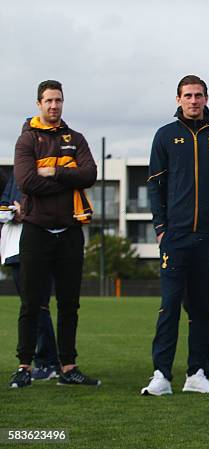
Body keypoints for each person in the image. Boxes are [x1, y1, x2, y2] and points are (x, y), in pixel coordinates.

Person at [141, 75, 209, 396]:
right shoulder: (165, 136)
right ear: (178, 99)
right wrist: (160, 229)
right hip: (175, 237)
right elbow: (155, 186)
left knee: (203, 308)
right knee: (170, 306)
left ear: (207, 99)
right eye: (188, 95)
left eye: (198, 95)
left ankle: (197, 373)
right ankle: (161, 375)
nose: (193, 101)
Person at [9, 80, 99, 388]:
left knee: (69, 304)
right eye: (48, 100)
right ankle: (24, 367)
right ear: (38, 103)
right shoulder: (27, 140)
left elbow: (90, 175)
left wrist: (55, 172)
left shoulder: (76, 138)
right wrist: (68, 180)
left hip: (71, 231)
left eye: (58, 100)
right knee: (31, 303)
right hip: (36, 231)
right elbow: (26, 182)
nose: (54, 106)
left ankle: (68, 367)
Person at [1, 174, 59, 381]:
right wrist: (13, 212)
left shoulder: (47, 173)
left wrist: (25, 212)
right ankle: (46, 360)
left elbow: (49, 208)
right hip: (16, 250)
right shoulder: (15, 176)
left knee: (38, 306)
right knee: (31, 306)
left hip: (41, 246)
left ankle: (48, 361)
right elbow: (3, 208)